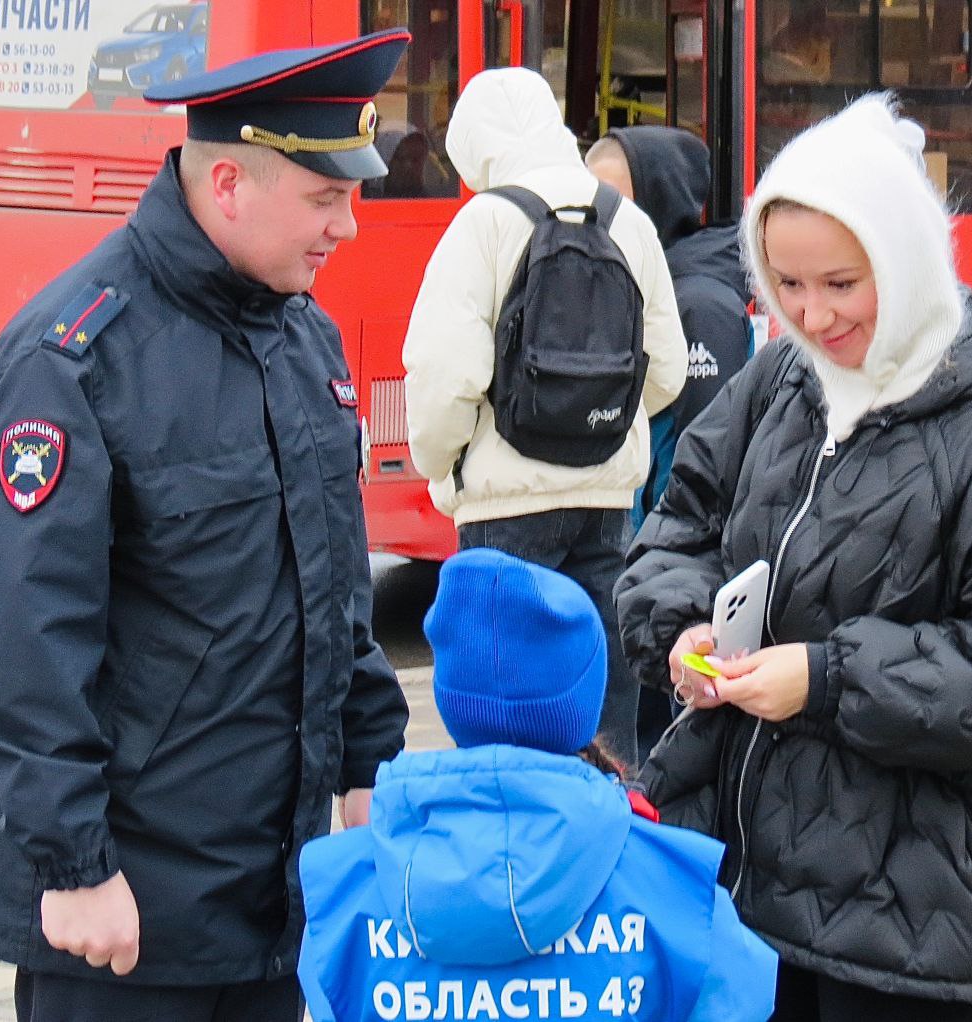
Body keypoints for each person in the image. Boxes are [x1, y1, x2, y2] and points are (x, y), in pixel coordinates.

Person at [0, 30, 412, 1022]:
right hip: (123, 913)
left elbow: (333, 583)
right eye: (326, 199)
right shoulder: (71, 358)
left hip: (272, 890)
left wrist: (370, 759)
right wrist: (72, 863)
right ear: (231, 184)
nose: (349, 228)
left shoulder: (304, 338)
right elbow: (18, 642)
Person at [617, 95, 972, 1020]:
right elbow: (679, 525)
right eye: (786, 285)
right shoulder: (782, 379)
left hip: (908, 916)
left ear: (905, 264)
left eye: (841, 283)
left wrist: (828, 680)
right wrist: (682, 627)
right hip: (749, 885)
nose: (812, 315)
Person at [297, 547, 778, 1021]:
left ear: (449, 700)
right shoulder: (677, 896)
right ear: (585, 701)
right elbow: (743, 994)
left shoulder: (343, 898)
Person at [402, 67, 687, 767]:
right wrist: (599, 427)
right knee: (604, 711)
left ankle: (516, 856)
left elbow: (446, 372)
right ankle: (611, 833)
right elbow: (669, 369)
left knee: (506, 718)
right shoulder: (629, 220)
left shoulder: (484, 223)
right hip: (605, 504)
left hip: (502, 513)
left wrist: (443, 465)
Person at [586, 125, 753, 759]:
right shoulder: (647, 281)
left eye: (616, 199)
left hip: (680, 578)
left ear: (658, 200)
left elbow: (709, 465)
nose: (598, 214)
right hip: (650, 572)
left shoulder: (697, 303)